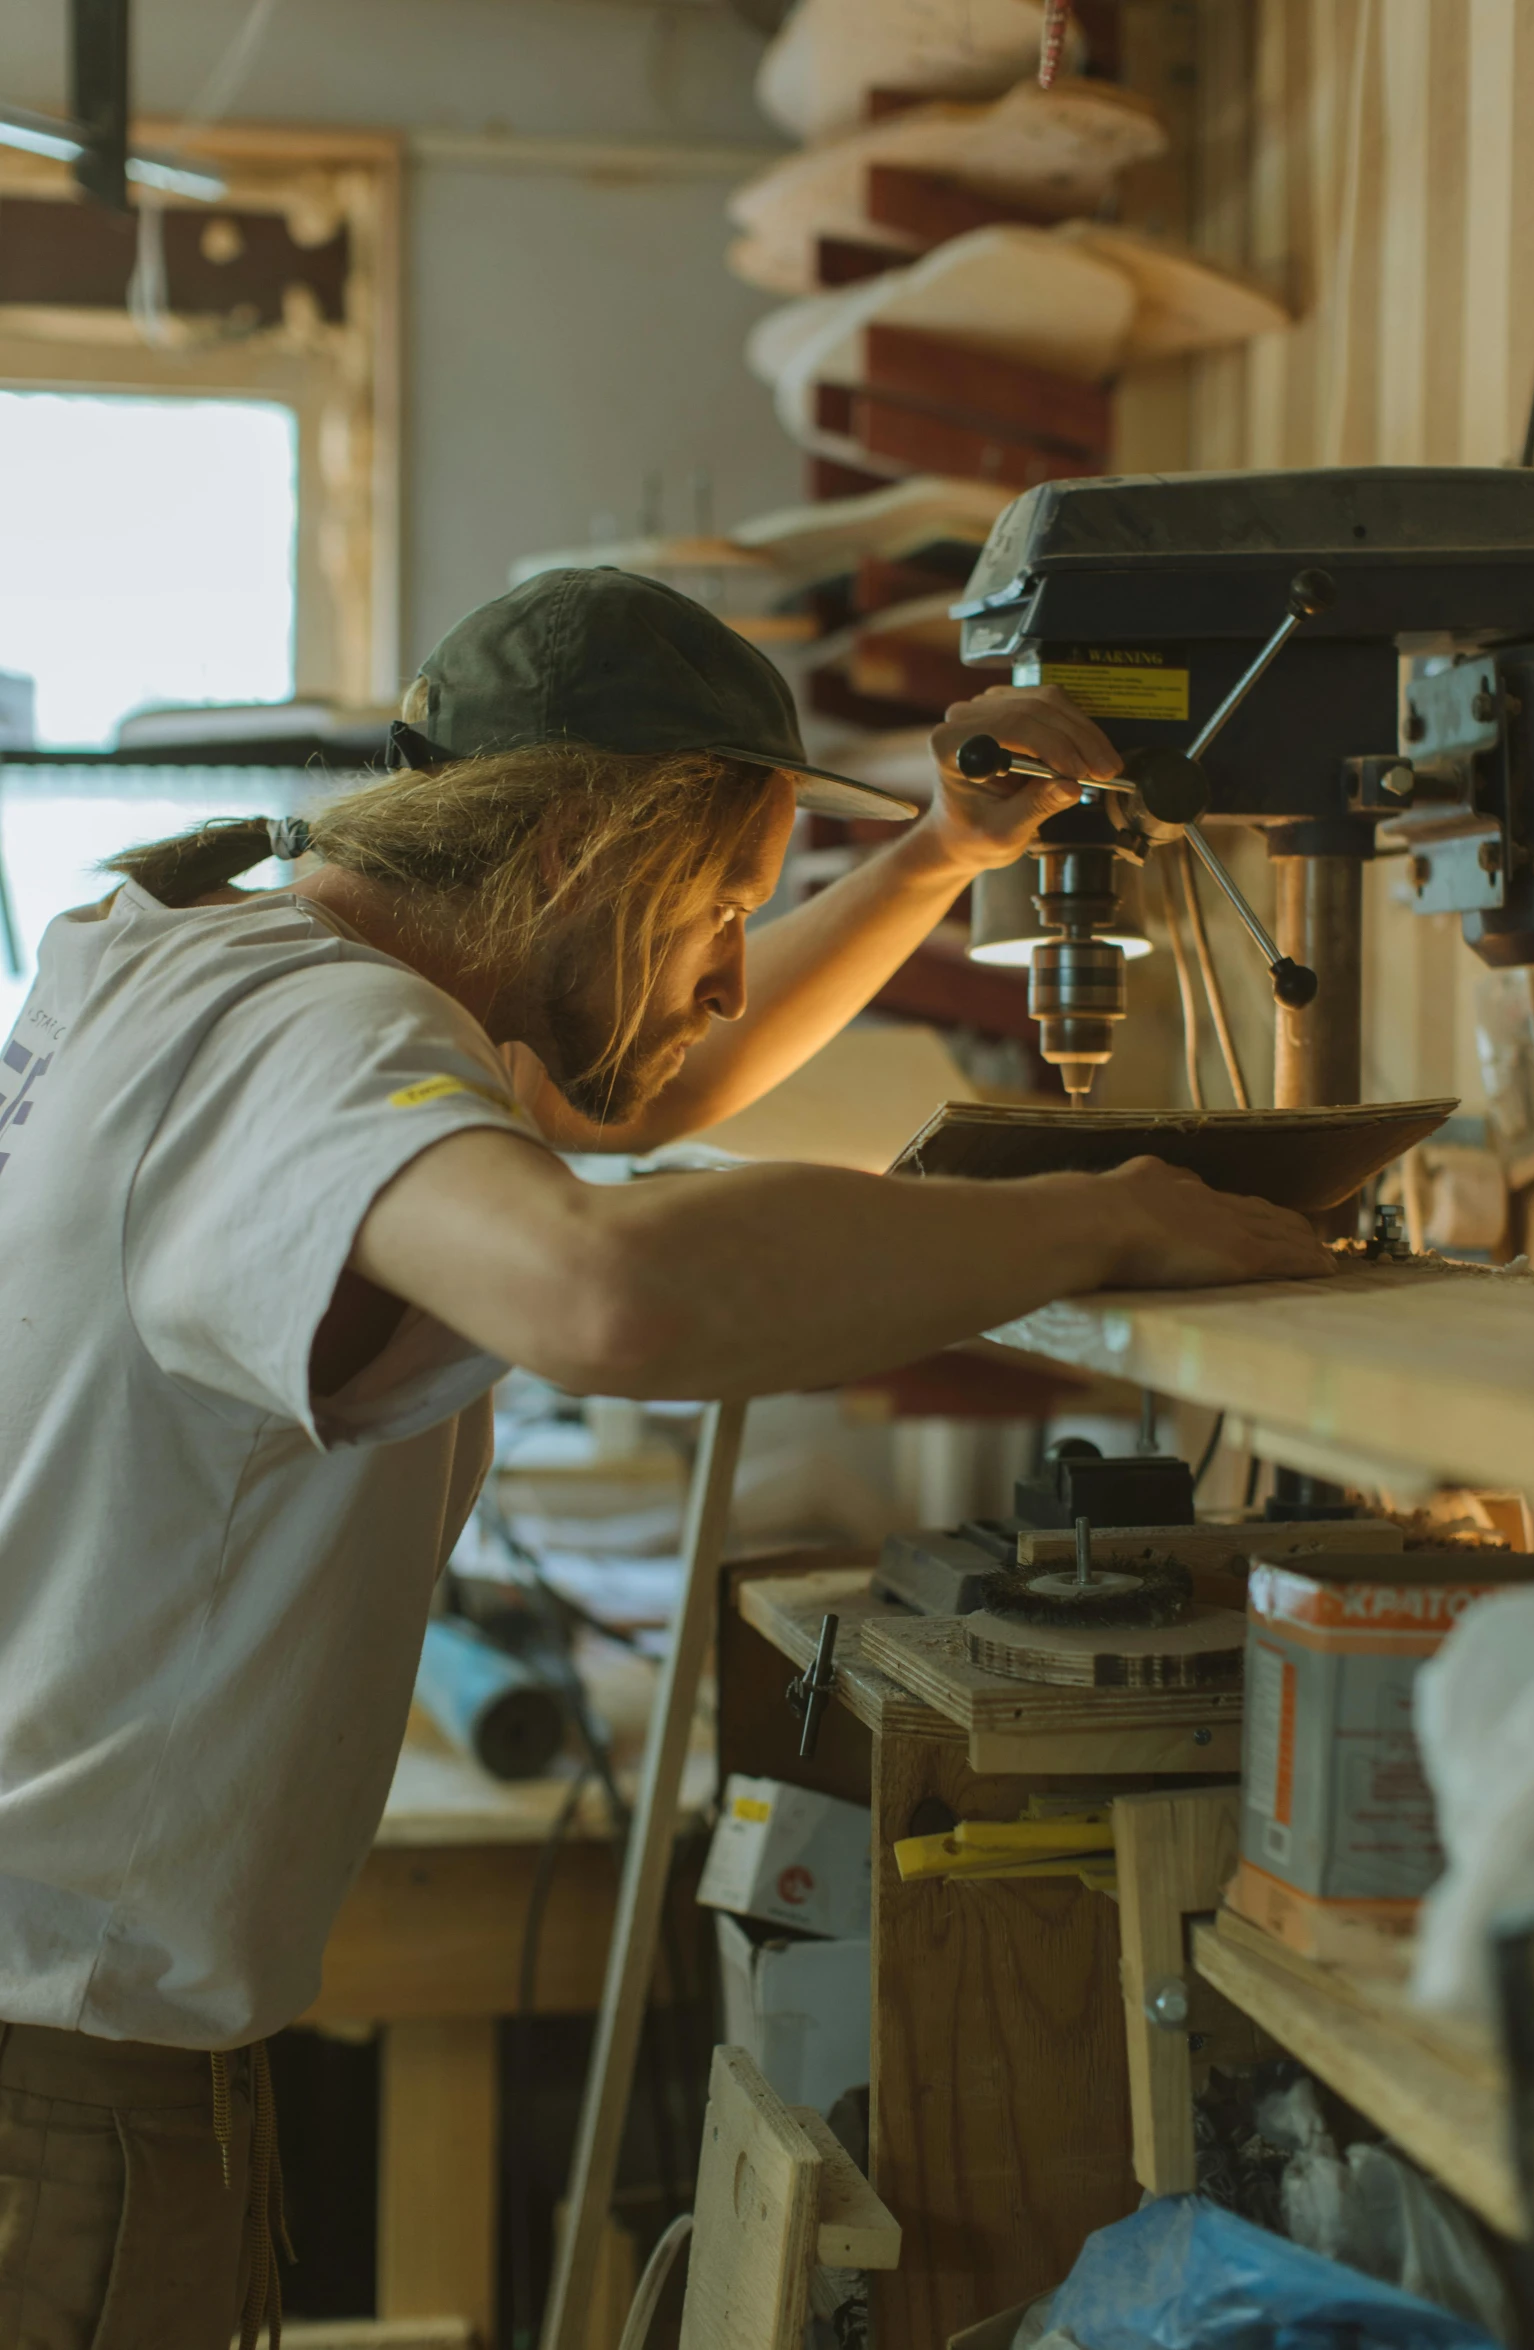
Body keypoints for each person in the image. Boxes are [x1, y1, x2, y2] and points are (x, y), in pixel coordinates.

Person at [0, 568, 1330, 2350]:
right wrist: (1098, 1220)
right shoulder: (312, 1041)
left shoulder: (198, 956)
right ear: (570, 855)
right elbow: (602, 1288)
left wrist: (939, 855)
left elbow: (629, 1081)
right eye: (716, 904)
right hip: (57, 2085)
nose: (721, 970)